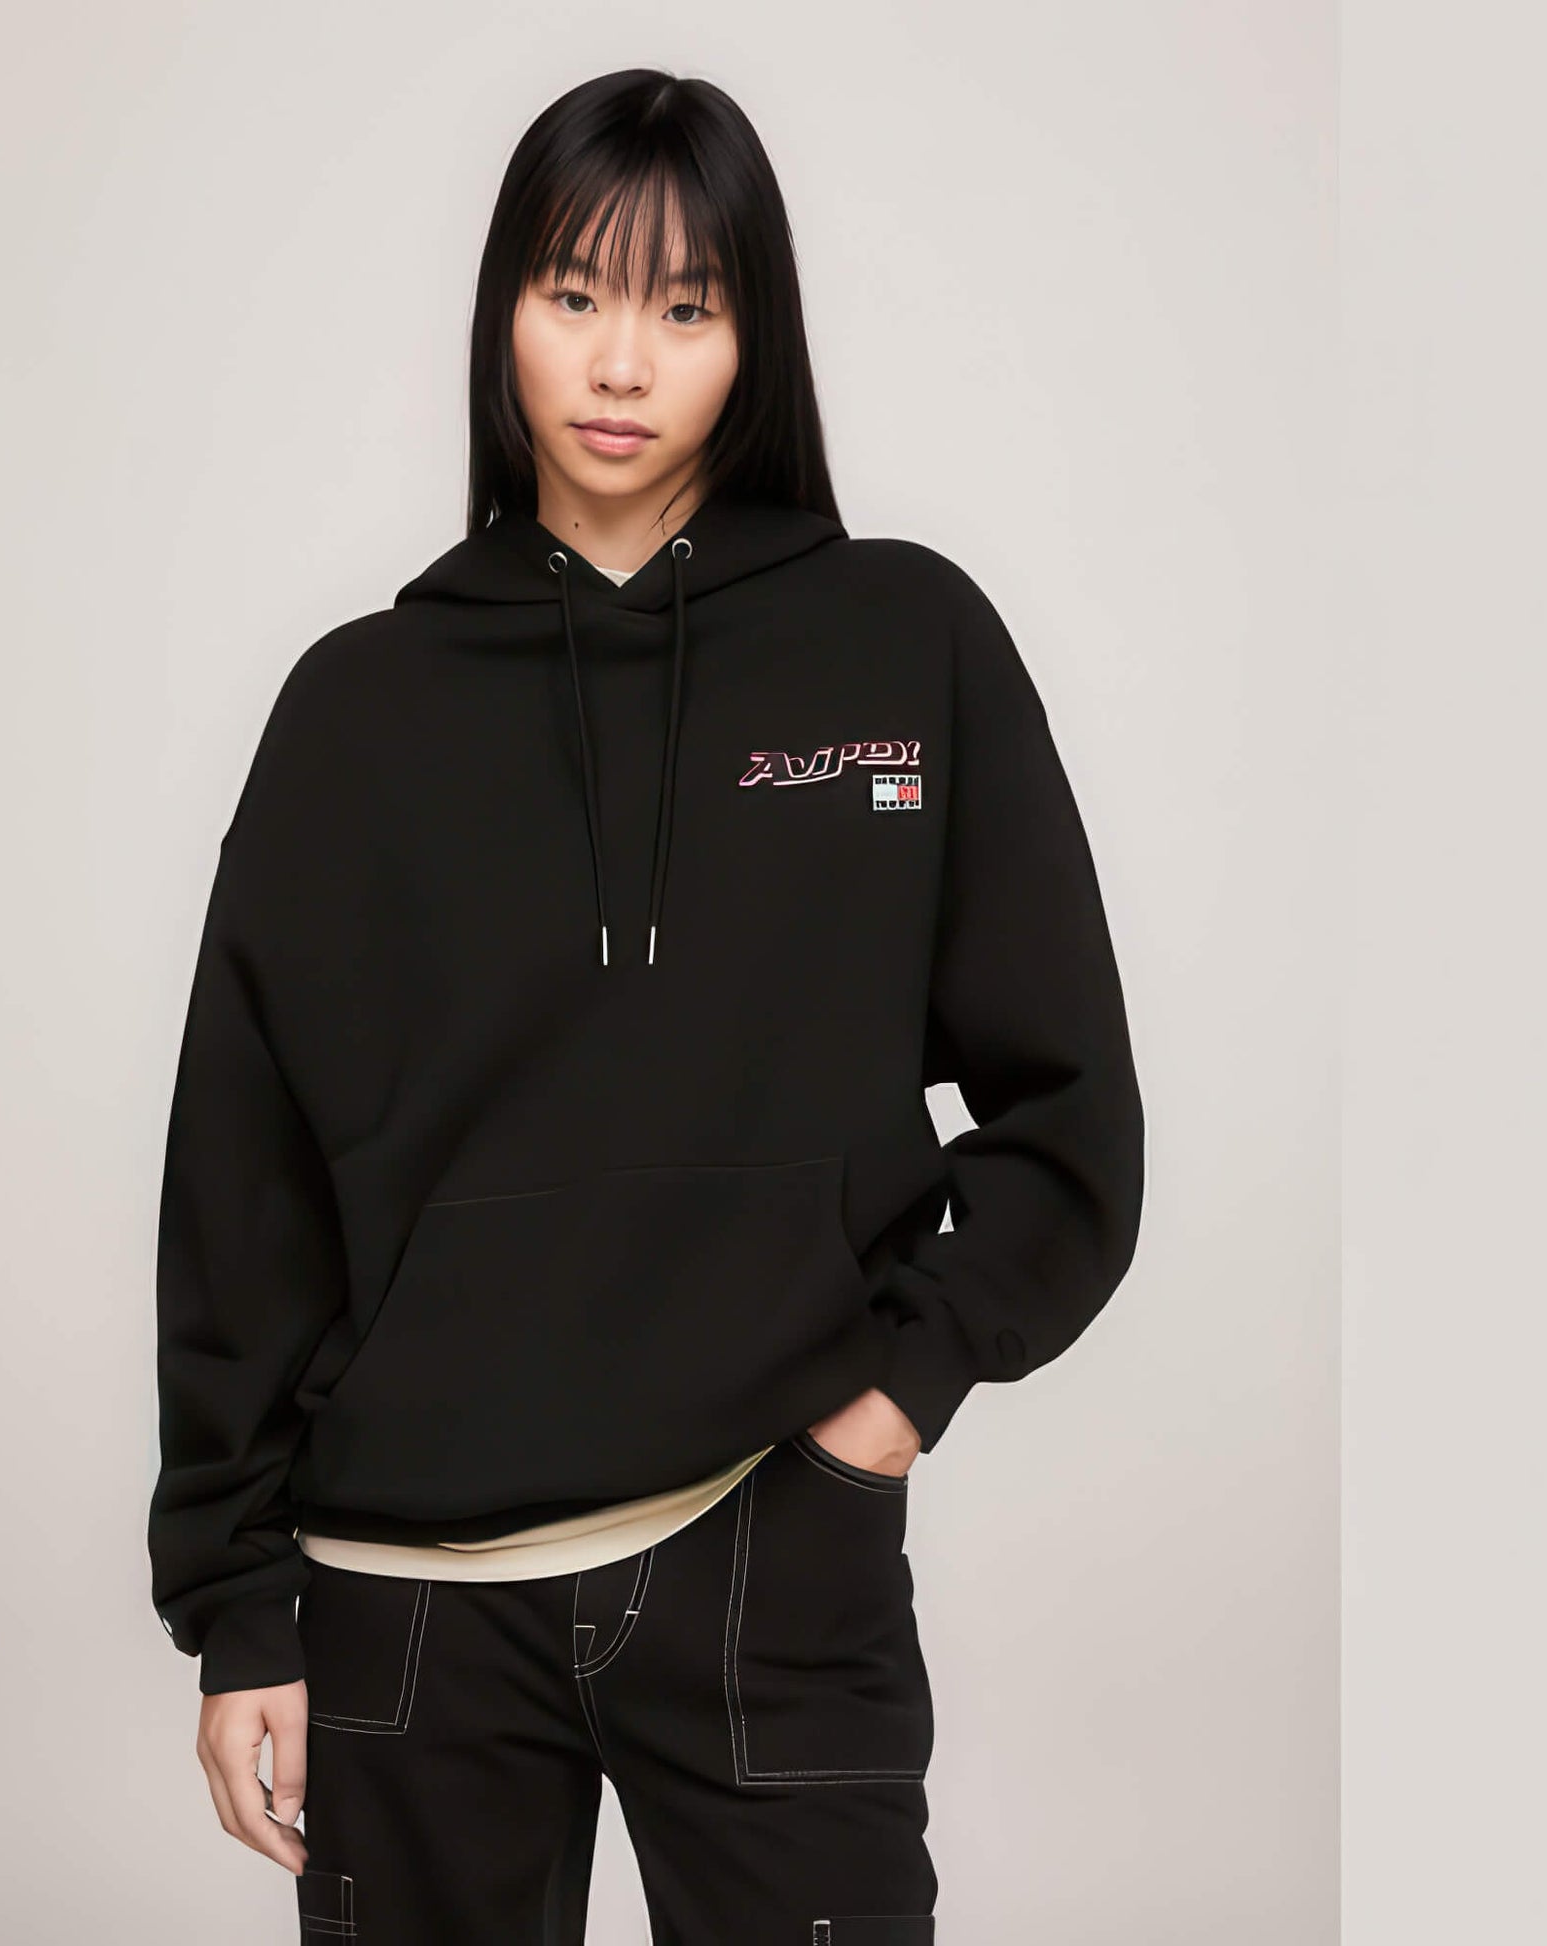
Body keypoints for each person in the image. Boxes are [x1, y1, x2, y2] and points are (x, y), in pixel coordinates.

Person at [147, 66, 1144, 1944]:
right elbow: (241, 1185)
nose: (620, 362)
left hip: (774, 1541)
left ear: (753, 340)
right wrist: (237, 1605)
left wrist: (889, 1403)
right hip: (405, 1597)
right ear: (502, 314)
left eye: (685, 308)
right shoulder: (356, 709)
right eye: (573, 294)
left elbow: (1067, 1116)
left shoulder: (902, 641)